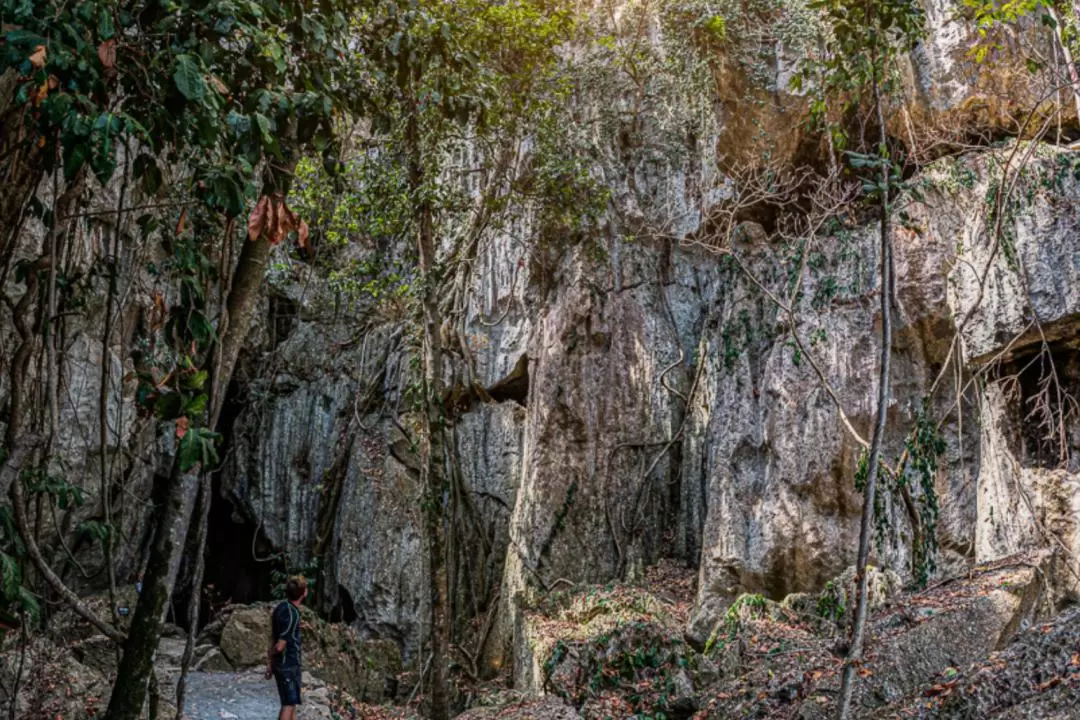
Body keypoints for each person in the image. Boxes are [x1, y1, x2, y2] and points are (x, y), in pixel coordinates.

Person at [266, 576, 307, 720]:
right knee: (288, 704)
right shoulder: (293, 614)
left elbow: (273, 637)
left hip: (281, 664)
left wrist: (270, 664)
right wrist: (273, 655)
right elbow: (279, 645)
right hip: (288, 664)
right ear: (304, 593)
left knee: (291, 702)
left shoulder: (280, 608)